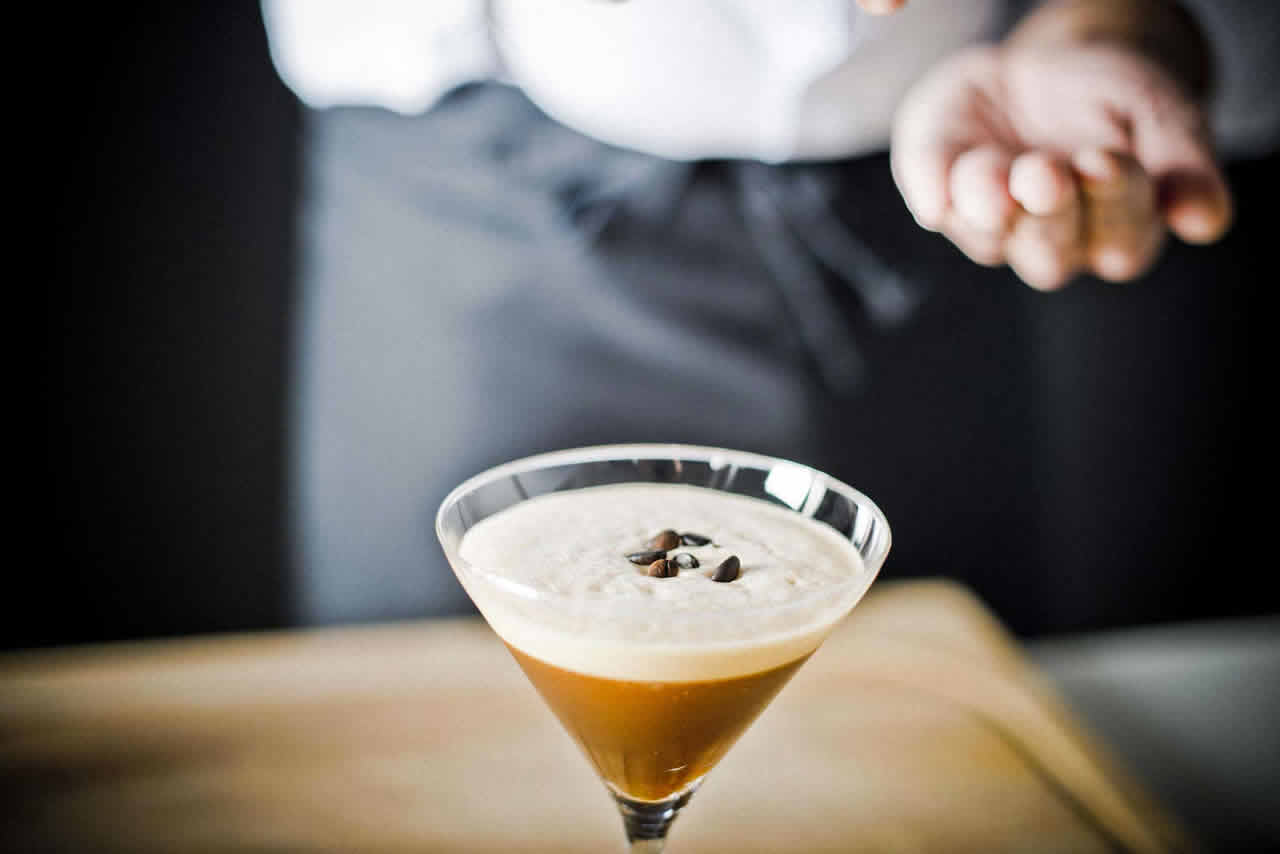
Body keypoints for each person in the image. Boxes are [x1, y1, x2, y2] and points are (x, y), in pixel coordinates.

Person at [261, 0, 1279, 625]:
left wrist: (1107, 20)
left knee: (917, 715)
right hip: (479, 193)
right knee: (432, 717)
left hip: (974, 184)